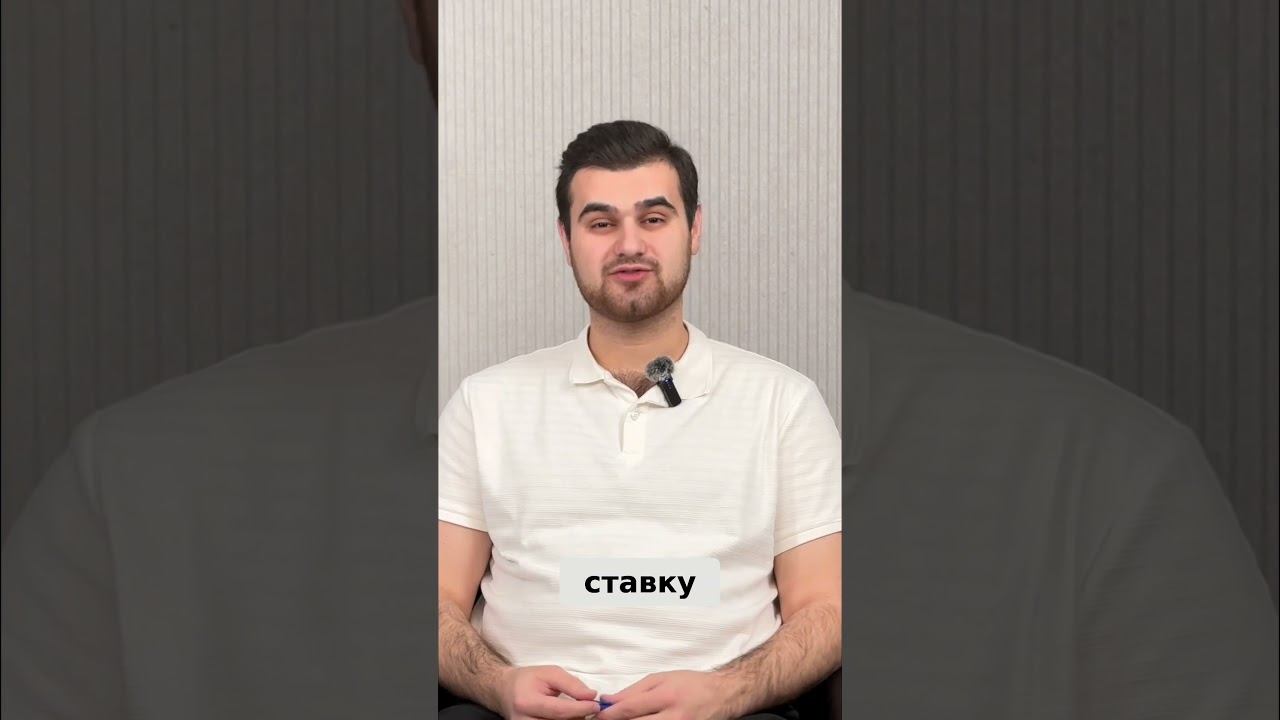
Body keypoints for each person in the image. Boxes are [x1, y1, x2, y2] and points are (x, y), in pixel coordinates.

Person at [435, 121, 843, 720]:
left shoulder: (785, 403)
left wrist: (729, 693)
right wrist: (497, 685)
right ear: (566, 239)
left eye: (653, 218)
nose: (629, 244)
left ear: (694, 229)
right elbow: (438, 601)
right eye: (601, 224)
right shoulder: (484, 403)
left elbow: (826, 609)